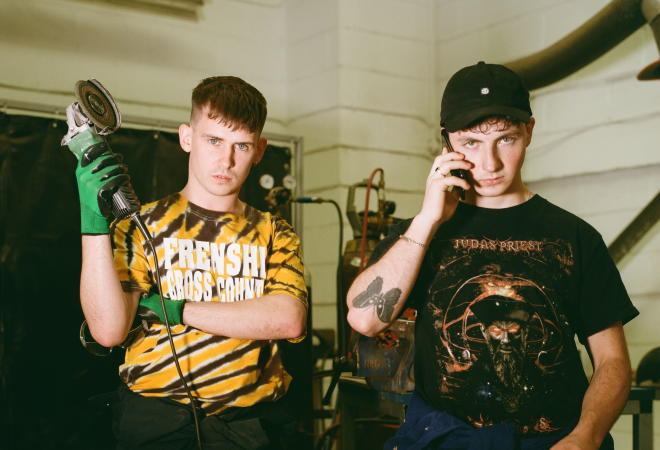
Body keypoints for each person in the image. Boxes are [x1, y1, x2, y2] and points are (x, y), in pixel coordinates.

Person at [346, 62, 638, 450]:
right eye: (470, 143)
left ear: (529, 131)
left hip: (553, 440)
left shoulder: (575, 238)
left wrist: (585, 436)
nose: (490, 164)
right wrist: (427, 220)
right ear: (446, 142)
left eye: (506, 139)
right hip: (445, 439)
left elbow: (612, 361)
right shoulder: (420, 233)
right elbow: (364, 319)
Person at [70, 76, 308, 449]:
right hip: (156, 425)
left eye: (241, 145)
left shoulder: (275, 232)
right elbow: (108, 331)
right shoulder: (140, 227)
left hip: (252, 429)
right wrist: (94, 223)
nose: (226, 160)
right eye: (213, 140)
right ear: (186, 138)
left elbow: (288, 318)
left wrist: (176, 310)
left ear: (259, 150)